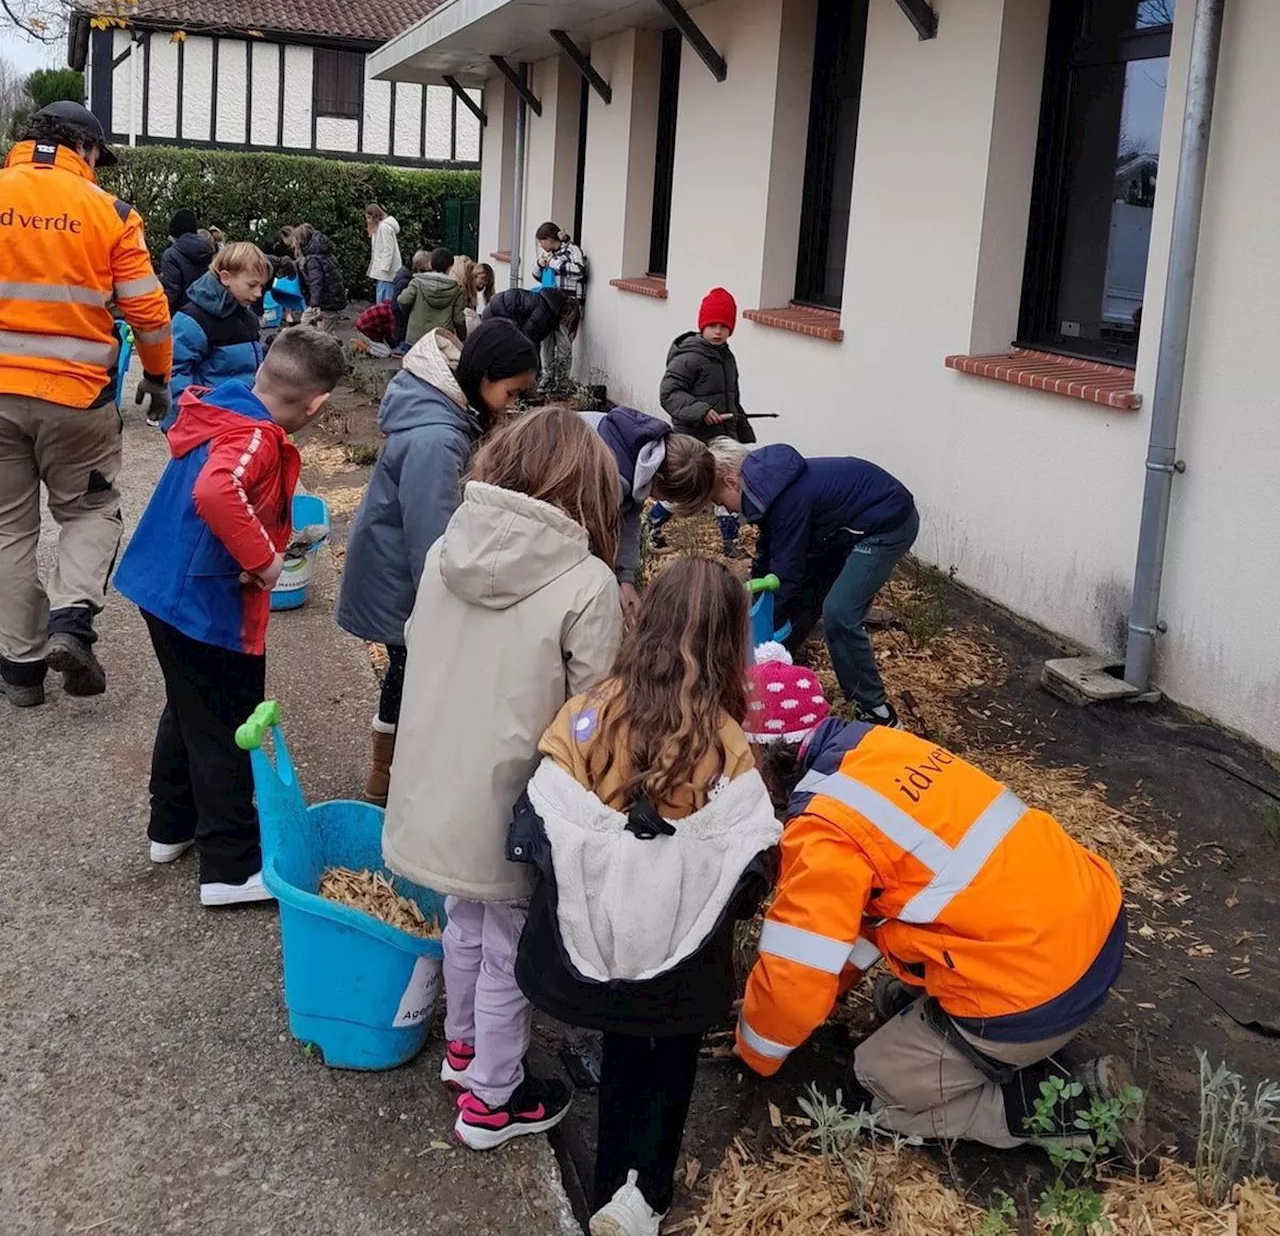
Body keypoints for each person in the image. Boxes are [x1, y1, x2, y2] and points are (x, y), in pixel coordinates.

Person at [510, 558, 780, 1236]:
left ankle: (608, 1183)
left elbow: (548, 801)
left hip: (602, 946)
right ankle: (646, 1191)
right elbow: (749, 859)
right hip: (684, 965)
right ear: (729, 645)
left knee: (624, 1045)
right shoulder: (726, 743)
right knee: (673, 1059)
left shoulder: (590, 713)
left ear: (647, 620)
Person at [383, 407, 623, 1150]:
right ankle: (492, 1096)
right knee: (509, 944)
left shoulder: (446, 548)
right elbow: (595, 713)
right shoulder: (587, 582)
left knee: (463, 917)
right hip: (519, 797)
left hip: (436, 780)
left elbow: (418, 646)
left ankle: (462, 1047)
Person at [737, 718, 1131, 1153]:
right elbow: (856, 929)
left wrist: (757, 1050)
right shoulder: (876, 745)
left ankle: (1072, 1108)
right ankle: (986, 1041)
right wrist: (829, 991)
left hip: (1039, 991)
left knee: (871, 1086)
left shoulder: (823, 831)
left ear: (763, 757)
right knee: (895, 992)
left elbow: (797, 975)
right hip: (1094, 931)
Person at [114, 328, 346, 905]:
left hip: (162, 590)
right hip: (199, 603)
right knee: (225, 726)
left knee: (188, 707)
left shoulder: (223, 404)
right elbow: (218, 493)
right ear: (316, 405)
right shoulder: (257, 436)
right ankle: (230, 867)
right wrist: (266, 562)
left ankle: (170, 827)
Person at [0, 101, 173, 708]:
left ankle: (19, 670)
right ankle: (71, 623)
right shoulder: (112, 214)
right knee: (90, 511)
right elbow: (148, 312)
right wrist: (157, 377)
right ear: (88, 151)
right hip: (77, 398)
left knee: (8, 527)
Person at [336, 320, 539, 804]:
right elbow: (433, 539)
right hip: (403, 581)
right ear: (484, 376)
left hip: (397, 569)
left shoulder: (447, 411)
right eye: (510, 393)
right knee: (415, 679)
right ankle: (391, 781)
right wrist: (455, 605)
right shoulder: (437, 439)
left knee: (406, 676)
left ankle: (389, 777)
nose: (510, 406)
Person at [710, 440, 917, 727]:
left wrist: (756, 632)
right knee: (805, 594)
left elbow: (785, 577)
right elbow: (768, 556)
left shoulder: (788, 499)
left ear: (732, 482)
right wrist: (751, 605)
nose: (728, 511)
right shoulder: (770, 490)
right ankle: (779, 668)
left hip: (886, 522)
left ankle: (875, 709)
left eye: (721, 502)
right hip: (836, 530)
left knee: (840, 612)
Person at [583, 407, 715, 617]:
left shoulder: (644, 454)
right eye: (668, 498)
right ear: (659, 480)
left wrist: (625, 580)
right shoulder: (610, 479)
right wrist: (607, 585)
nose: (661, 502)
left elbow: (629, 519)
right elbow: (586, 541)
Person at [163, 243, 271, 431]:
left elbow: (240, 362)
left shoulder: (245, 316)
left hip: (238, 418)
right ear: (225, 277)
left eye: (261, 286)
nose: (258, 293)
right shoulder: (192, 319)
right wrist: (182, 425)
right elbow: (174, 373)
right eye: (252, 285)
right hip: (207, 422)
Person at [659, 289, 753, 445]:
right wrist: (702, 411)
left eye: (724, 326)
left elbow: (731, 398)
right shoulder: (688, 357)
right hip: (692, 441)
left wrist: (742, 432)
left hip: (723, 438)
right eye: (712, 325)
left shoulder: (727, 358)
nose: (718, 331)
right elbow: (669, 394)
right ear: (702, 326)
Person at [533, 221, 588, 380]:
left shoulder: (572, 250)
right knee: (547, 344)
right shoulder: (550, 255)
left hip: (568, 305)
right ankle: (548, 379)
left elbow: (580, 271)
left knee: (564, 344)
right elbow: (538, 276)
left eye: (542, 242)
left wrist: (552, 263)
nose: (541, 246)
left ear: (549, 239)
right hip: (548, 305)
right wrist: (540, 264)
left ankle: (562, 381)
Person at [398, 246, 467, 346]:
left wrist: (411, 314)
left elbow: (403, 300)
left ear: (430, 263)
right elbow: (458, 319)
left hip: (416, 336)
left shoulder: (417, 283)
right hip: (441, 338)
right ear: (450, 267)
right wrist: (461, 338)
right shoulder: (456, 290)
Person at [159, 210, 214, 313]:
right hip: (206, 312)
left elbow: (172, 292)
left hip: (181, 315)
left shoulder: (171, 254)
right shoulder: (207, 249)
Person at [482, 284, 566, 350]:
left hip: (495, 310)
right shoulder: (543, 313)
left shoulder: (543, 302)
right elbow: (528, 339)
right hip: (495, 316)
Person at [293, 224, 346, 314]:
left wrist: (314, 304)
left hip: (325, 302)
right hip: (332, 299)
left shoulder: (312, 259)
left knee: (313, 323)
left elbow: (315, 282)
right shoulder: (324, 253)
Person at [366, 204, 403, 303]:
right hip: (384, 271)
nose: (368, 221)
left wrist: (384, 269)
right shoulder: (381, 227)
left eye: (369, 218)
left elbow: (388, 249)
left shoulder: (384, 228)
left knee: (384, 299)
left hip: (386, 272)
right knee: (383, 296)